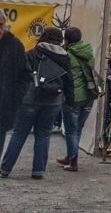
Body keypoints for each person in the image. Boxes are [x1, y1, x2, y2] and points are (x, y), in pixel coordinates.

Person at [0, 27, 73, 179]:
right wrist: (70, 100)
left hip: (29, 99)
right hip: (53, 101)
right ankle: (38, 171)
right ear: (60, 40)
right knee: (44, 135)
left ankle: (5, 169)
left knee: (19, 133)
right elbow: (69, 81)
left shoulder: (33, 53)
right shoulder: (65, 57)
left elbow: (21, 75)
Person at [58, 27, 96, 172]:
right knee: (77, 128)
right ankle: (70, 156)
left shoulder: (66, 55)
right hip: (89, 95)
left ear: (66, 39)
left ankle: (73, 161)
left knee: (71, 130)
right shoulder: (88, 51)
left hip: (73, 96)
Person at [0, 11, 27, 159]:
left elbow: (24, 75)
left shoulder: (14, 45)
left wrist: (16, 98)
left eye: (1, 25)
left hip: (4, 105)